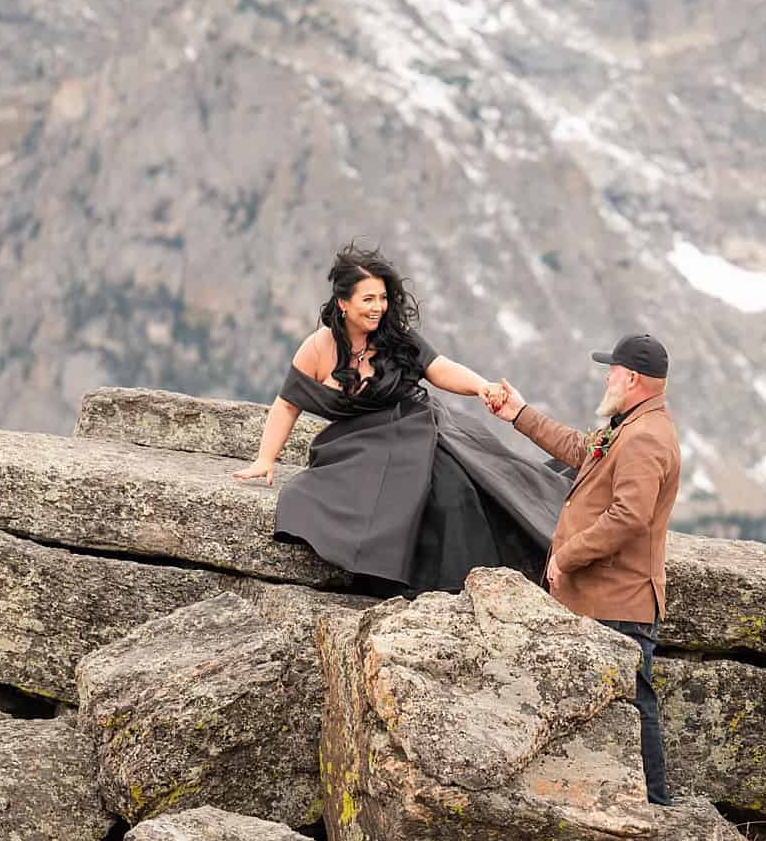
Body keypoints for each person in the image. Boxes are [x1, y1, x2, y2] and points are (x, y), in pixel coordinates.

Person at [233, 244, 570, 596]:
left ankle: (466, 583)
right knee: (312, 497)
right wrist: (265, 458)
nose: (378, 307)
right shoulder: (317, 348)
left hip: (417, 426)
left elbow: (439, 368)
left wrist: (481, 387)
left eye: (382, 298)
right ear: (343, 303)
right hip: (357, 443)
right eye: (368, 299)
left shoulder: (396, 335)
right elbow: (287, 404)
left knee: (458, 488)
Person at [485, 334, 681, 806]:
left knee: (635, 703)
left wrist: (567, 555)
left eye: (611, 370)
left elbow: (629, 516)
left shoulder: (646, 437)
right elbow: (580, 449)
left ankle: (655, 804)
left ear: (631, 379)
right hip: (603, 596)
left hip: (618, 600)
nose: (606, 376)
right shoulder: (630, 425)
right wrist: (519, 414)